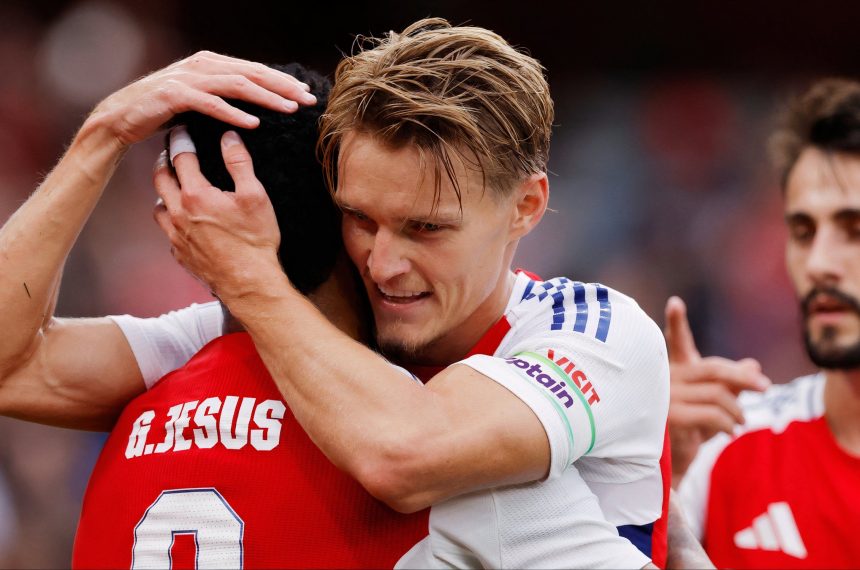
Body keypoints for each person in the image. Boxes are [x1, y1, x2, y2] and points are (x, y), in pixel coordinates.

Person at [0, 21, 673, 569]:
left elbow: (407, 452)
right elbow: (10, 365)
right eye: (360, 219)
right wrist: (103, 134)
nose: (384, 264)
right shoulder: (271, 331)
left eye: (426, 228)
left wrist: (248, 278)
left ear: (526, 206)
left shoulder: (593, 331)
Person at [672, 78, 860, 568]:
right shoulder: (720, 446)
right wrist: (655, 474)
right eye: (803, 231)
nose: (819, 263)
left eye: (854, 229)